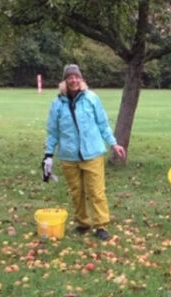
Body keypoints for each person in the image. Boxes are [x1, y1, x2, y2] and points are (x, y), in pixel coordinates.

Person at [43, 64, 126, 241]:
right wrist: (48, 155)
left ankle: (101, 225)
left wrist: (114, 144)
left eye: (76, 77)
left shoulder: (91, 98)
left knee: (96, 191)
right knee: (76, 191)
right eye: (69, 77)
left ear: (81, 79)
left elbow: (103, 124)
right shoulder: (57, 104)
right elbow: (53, 132)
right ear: (64, 81)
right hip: (68, 156)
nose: (73, 80)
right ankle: (83, 222)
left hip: (92, 154)